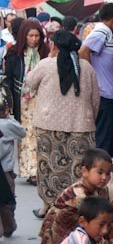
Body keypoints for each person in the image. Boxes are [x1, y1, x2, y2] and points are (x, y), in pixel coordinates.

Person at [25, 29, 100, 218]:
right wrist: (91, 118)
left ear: (55, 46)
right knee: (78, 168)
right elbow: (95, 99)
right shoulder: (86, 68)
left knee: (49, 168)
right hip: (81, 125)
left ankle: (48, 207)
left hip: (48, 125)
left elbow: (30, 83)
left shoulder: (46, 65)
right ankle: (78, 206)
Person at [40, 148, 112, 244]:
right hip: (59, 226)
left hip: (78, 226)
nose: (104, 177)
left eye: (108, 174)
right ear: (84, 171)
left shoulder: (103, 190)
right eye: (100, 172)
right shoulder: (78, 192)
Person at [3, 20, 48, 185]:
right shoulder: (14, 54)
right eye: (31, 35)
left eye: (37, 35)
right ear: (24, 35)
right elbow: (8, 79)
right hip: (21, 101)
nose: (34, 39)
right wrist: (8, 102)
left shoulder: (46, 52)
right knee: (26, 136)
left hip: (42, 100)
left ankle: (39, 170)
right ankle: (30, 170)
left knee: (39, 135)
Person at [79, 3, 113, 157]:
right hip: (103, 95)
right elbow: (83, 51)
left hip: (107, 94)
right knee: (104, 143)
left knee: (107, 141)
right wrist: (91, 79)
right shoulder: (102, 32)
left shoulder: (105, 33)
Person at [0, 99, 26, 238]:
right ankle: (9, 226)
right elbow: (22, 132)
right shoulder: (7, 124)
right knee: (7, 200)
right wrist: (9, 117)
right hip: (5, 170)